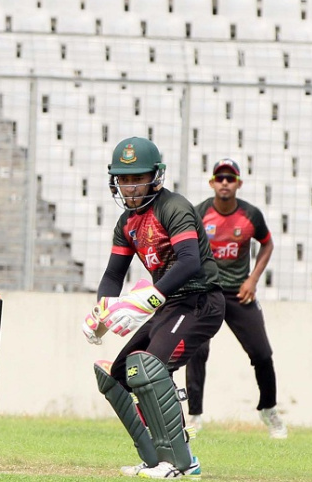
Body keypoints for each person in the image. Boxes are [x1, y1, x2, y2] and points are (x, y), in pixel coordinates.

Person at [82, 137, 225, 479]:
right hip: (170, 305)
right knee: (118, 377)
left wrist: (148, 298)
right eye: (123, 178)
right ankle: (152, 459)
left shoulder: (172, 207)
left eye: (136, 177)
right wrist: (102, 310)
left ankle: (183, 462)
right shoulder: (127, 223)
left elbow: (190, 262)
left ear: (156, 176)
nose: (129, 186)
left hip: (200, 301)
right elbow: (113, 273)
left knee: (149, 369)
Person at [184, 158, 287, 439]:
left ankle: (269, 410)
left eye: (231, 178)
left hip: (239, 294)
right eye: (220, 178)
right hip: (206, 292)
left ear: (239, 183)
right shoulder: (200, 212)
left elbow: (267, 244)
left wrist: (253, 279)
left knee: (262, 353)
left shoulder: (251, 215)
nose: (225, 183)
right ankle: (194, 416)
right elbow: (184, 247)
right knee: (197, 351)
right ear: (212, 183)